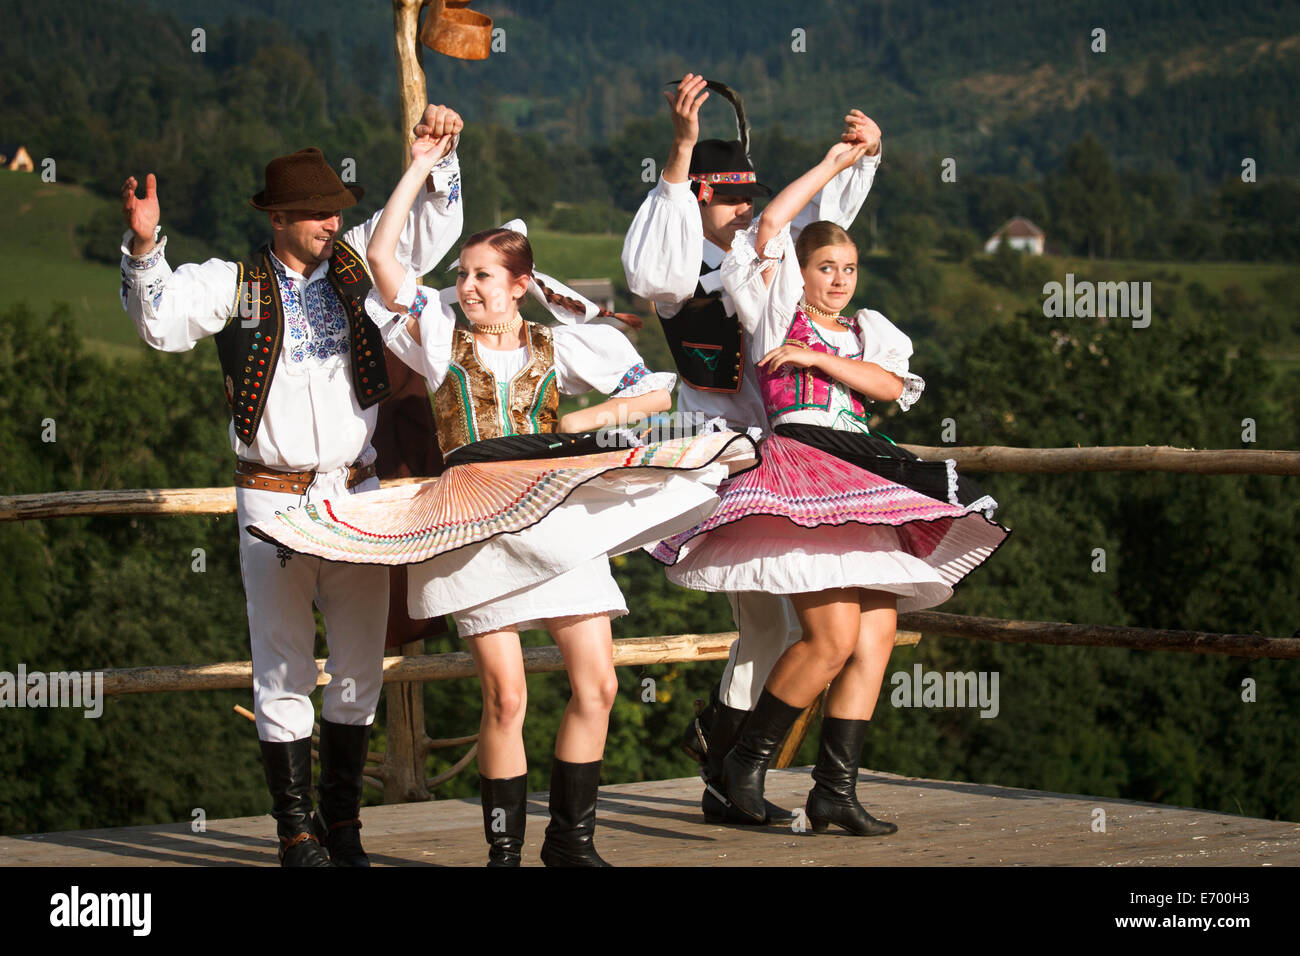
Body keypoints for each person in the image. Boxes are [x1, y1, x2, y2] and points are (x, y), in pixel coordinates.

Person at [249, 139, 757, 865]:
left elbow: (651, 386)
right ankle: (504, 855)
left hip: (554, 510)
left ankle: (570, 844)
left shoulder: (557, 347)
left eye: (484, 275)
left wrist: (578, 423)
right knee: (507, 696)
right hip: (474, 520)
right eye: (465, 274)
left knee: (600, 683)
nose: (472, 286)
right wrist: (422, 165)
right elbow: (387, 260)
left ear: (520, 284)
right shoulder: (440, 336)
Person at [118, 105, 465, 866]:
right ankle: (296, 832)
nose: (330, 222)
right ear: (277, 218)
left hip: (358, 493)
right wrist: (145, 249)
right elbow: (159, 323)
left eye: (336, 209)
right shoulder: (233, 285)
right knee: (279, 665)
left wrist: (438, 157)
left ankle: (344, 828)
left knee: (358, 667)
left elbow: (427, 233)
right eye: (315, 213)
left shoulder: (356, 268)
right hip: (271, 497)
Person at [650, 134, 1009, 835]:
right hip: (802, 464)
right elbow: (774, 225)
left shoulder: (862, 331)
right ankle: (740, 768)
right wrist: (835, 163)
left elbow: (886, 383)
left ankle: (833, 789)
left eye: (848, 267)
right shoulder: (769, 312)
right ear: (800, 272)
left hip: (861, 466)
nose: (839, 279)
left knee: (874, 635)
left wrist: (823, 358)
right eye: (826, 267)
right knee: (829, 637)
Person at [622, 74, 883, 825]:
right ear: (700, 195)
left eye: (750, 199)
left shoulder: (765, 261)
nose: (746, 211)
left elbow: (813, 230)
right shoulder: (678, 271)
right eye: (732, 199)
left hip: (782, 455)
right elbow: (648, 269)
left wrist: (858, 157)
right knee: (769, 625)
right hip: (722, 455)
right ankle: (726, 769)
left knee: (779, 628)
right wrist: (676, 152)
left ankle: (727, 764)